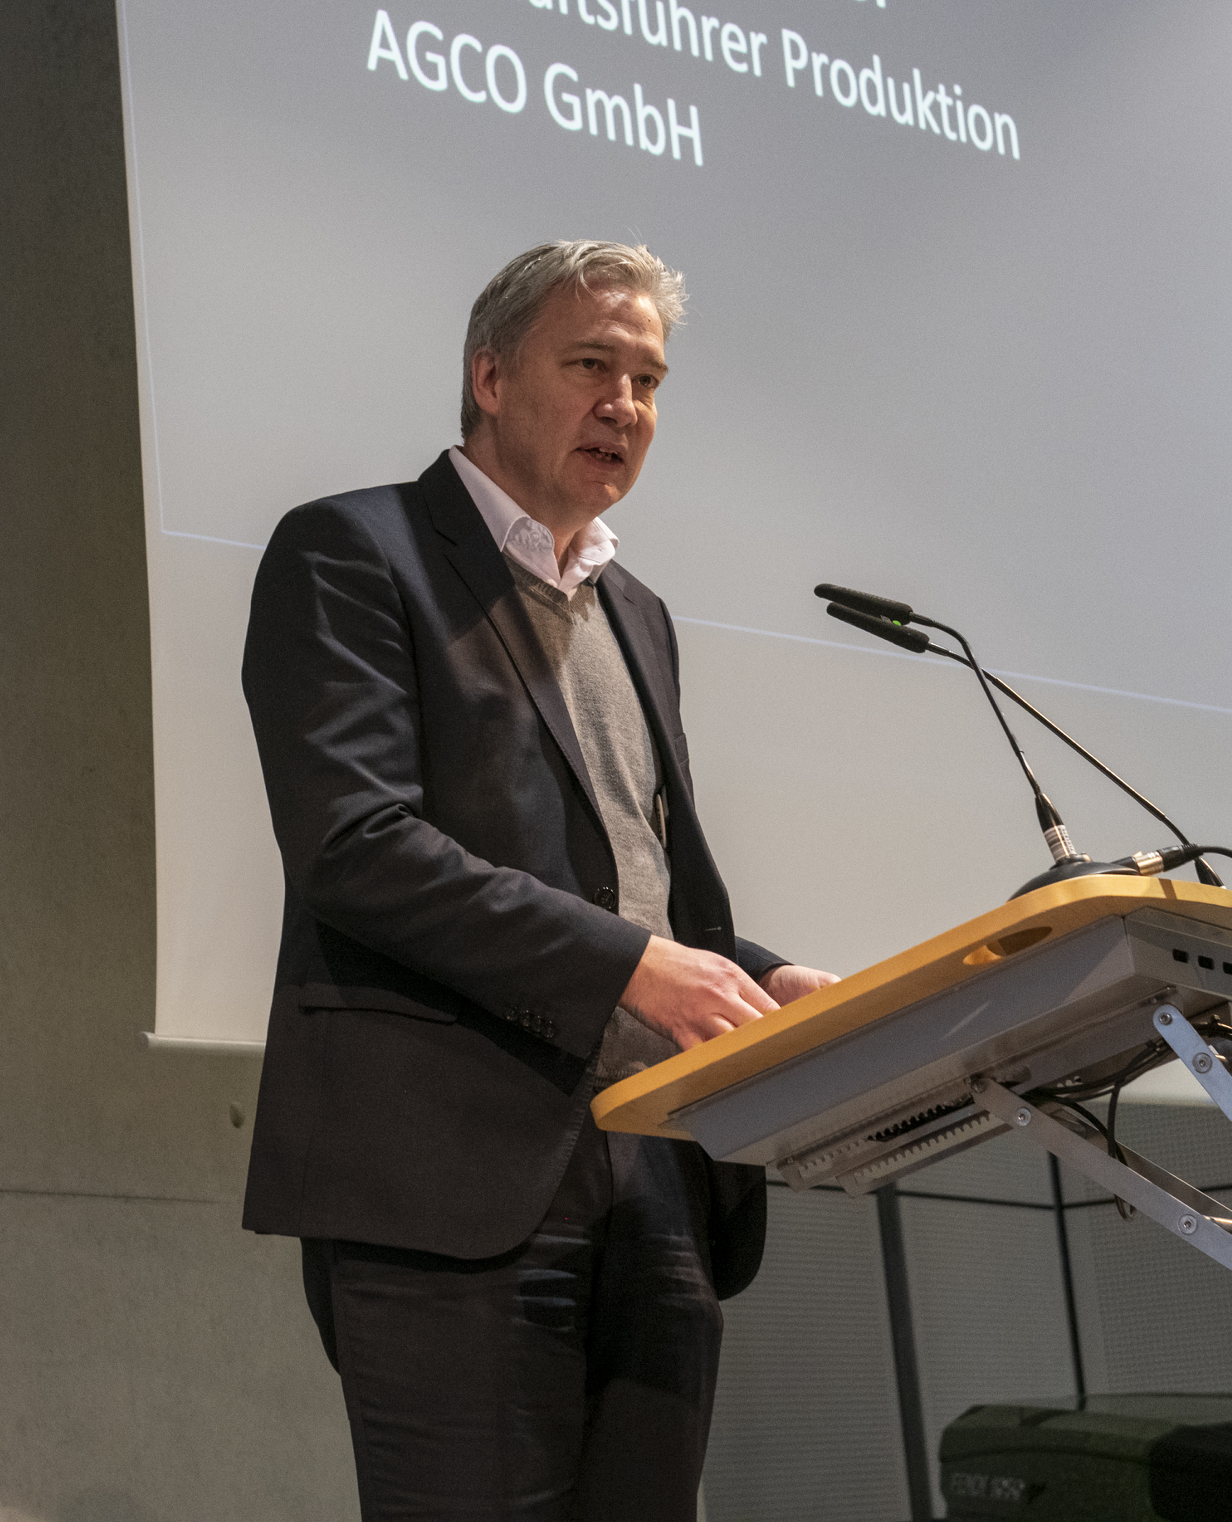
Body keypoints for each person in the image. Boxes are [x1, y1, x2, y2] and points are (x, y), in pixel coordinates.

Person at [239, 239, 835, 1521]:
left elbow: (636, 887)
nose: (625, 405)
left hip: (658, 1160)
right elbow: (355, 843)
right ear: (491, 376)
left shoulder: (638, 614)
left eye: (648, 380)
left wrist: (759, 975)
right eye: (591, 366)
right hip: (455, 1175)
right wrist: (636, 968)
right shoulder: (354, 551)